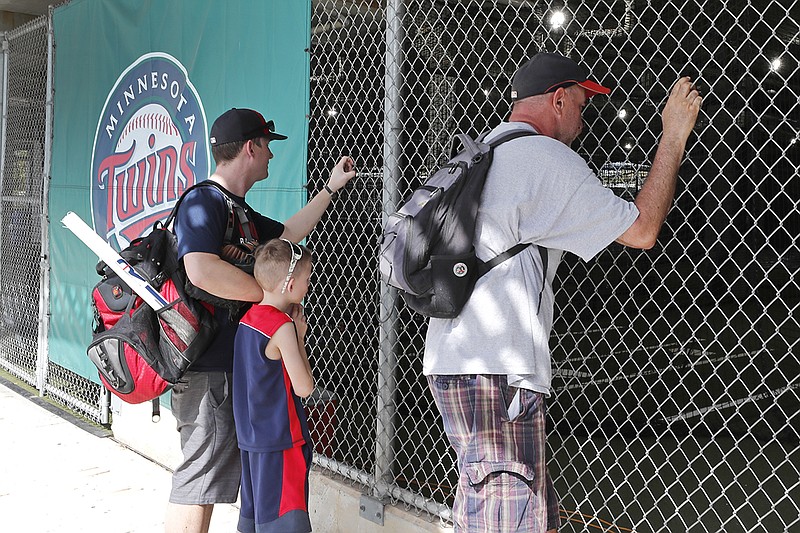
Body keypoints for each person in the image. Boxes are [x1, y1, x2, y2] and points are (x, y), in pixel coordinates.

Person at [423, 52, 702, 533]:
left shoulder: (482, 149)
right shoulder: (546, 158)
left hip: (457, 362)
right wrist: (673, 137)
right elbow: (642, 230)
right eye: (579, 104)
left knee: (525, 514)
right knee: (502, 519)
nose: (582, 118)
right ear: (557, 99)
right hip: (500, 373)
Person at [165, 107, 356, 533]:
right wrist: (266, 297)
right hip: (205, 366)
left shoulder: (240, 210)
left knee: (214, 478)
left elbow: (287, 236)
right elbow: (200, 268)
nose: (271, 156)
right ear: (250, 147)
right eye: (268, 146)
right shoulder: (205, 200)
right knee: (201, 477)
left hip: (226, 368)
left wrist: (329, 189)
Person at [233, 238, 315, 533]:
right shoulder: (281, 326)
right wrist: (301, 337)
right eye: (307, 279)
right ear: (290, 285)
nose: (308, 286)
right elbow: (304, 387)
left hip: (252, 440)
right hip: (281, 440)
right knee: (283, 522)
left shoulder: (247, 319)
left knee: (258, 521)